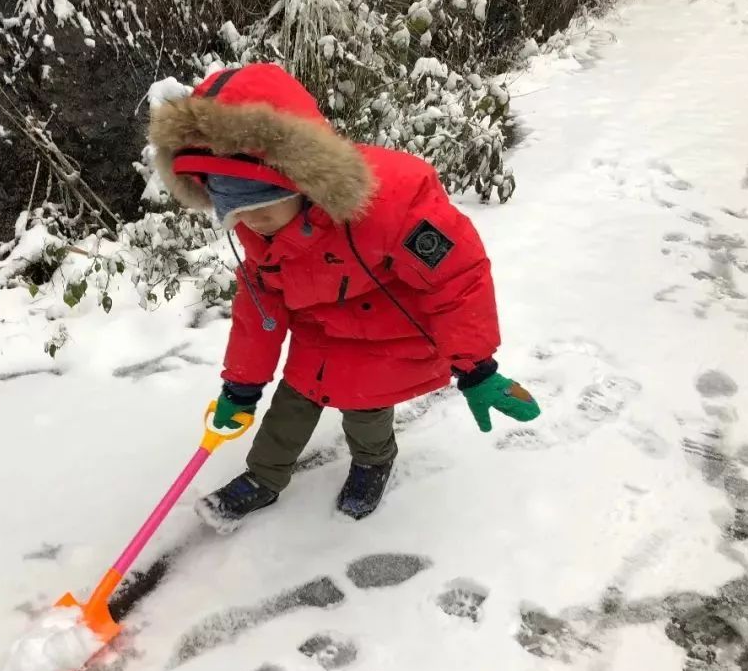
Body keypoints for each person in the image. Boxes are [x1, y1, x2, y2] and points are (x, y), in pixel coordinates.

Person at [148, 63, 540, 532]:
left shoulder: (391, 203)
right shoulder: (260, 239)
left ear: (302, 181)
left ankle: (374, 462)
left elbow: (456, 278)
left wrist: (476, 368)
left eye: (263, 205)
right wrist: (241, 386)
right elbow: (260, 311)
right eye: (236, 211)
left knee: (365, 409)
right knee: (289, 410)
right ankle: (264, 477)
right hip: (320, 334)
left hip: (384, 336)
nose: (254, 223)